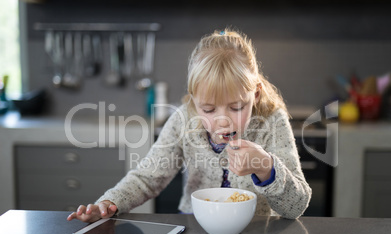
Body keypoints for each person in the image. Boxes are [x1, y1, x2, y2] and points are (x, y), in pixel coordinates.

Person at [67, 28, 311, 223]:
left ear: (255, 95)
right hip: (195, 230)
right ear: (193, 100)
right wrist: (109, 203)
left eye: (236, 107)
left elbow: (296, 206)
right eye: (208, 109)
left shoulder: (272, 121)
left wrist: (266, 168)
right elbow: (146, 178)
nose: (222, 120)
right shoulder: (183, 120)